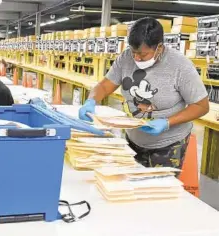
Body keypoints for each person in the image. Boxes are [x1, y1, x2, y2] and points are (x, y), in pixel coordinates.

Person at [79, 17, 209, 169]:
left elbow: (201, 105)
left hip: (168, 146)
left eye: (142, 54)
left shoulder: (180, 66)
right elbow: (104, 86)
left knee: (158, 189)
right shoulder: (126, 58)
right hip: (133, 140)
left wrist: (167, 122)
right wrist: (91, 101)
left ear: (159, 47)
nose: (136, 58)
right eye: (133, 52)